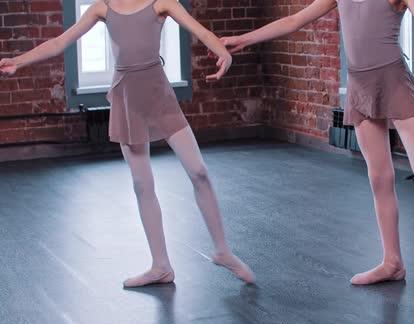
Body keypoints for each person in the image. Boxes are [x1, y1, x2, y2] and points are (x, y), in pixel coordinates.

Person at [220, 0, 414, 304]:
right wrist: (244, 39)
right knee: (379, 176)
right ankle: (392, 262)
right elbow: (294, 21)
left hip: (393, 79)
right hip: (359, 84)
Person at [0, 0, 255, 287]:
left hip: (158, 94)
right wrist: (19, 61)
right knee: (142, 183)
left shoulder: (162, 2)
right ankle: (161, 266)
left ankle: (222, 250)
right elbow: (60, 42)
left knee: (199, 171)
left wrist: (223, 52)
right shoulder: (103, 8)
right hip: (126, 97)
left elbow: (201, 31)